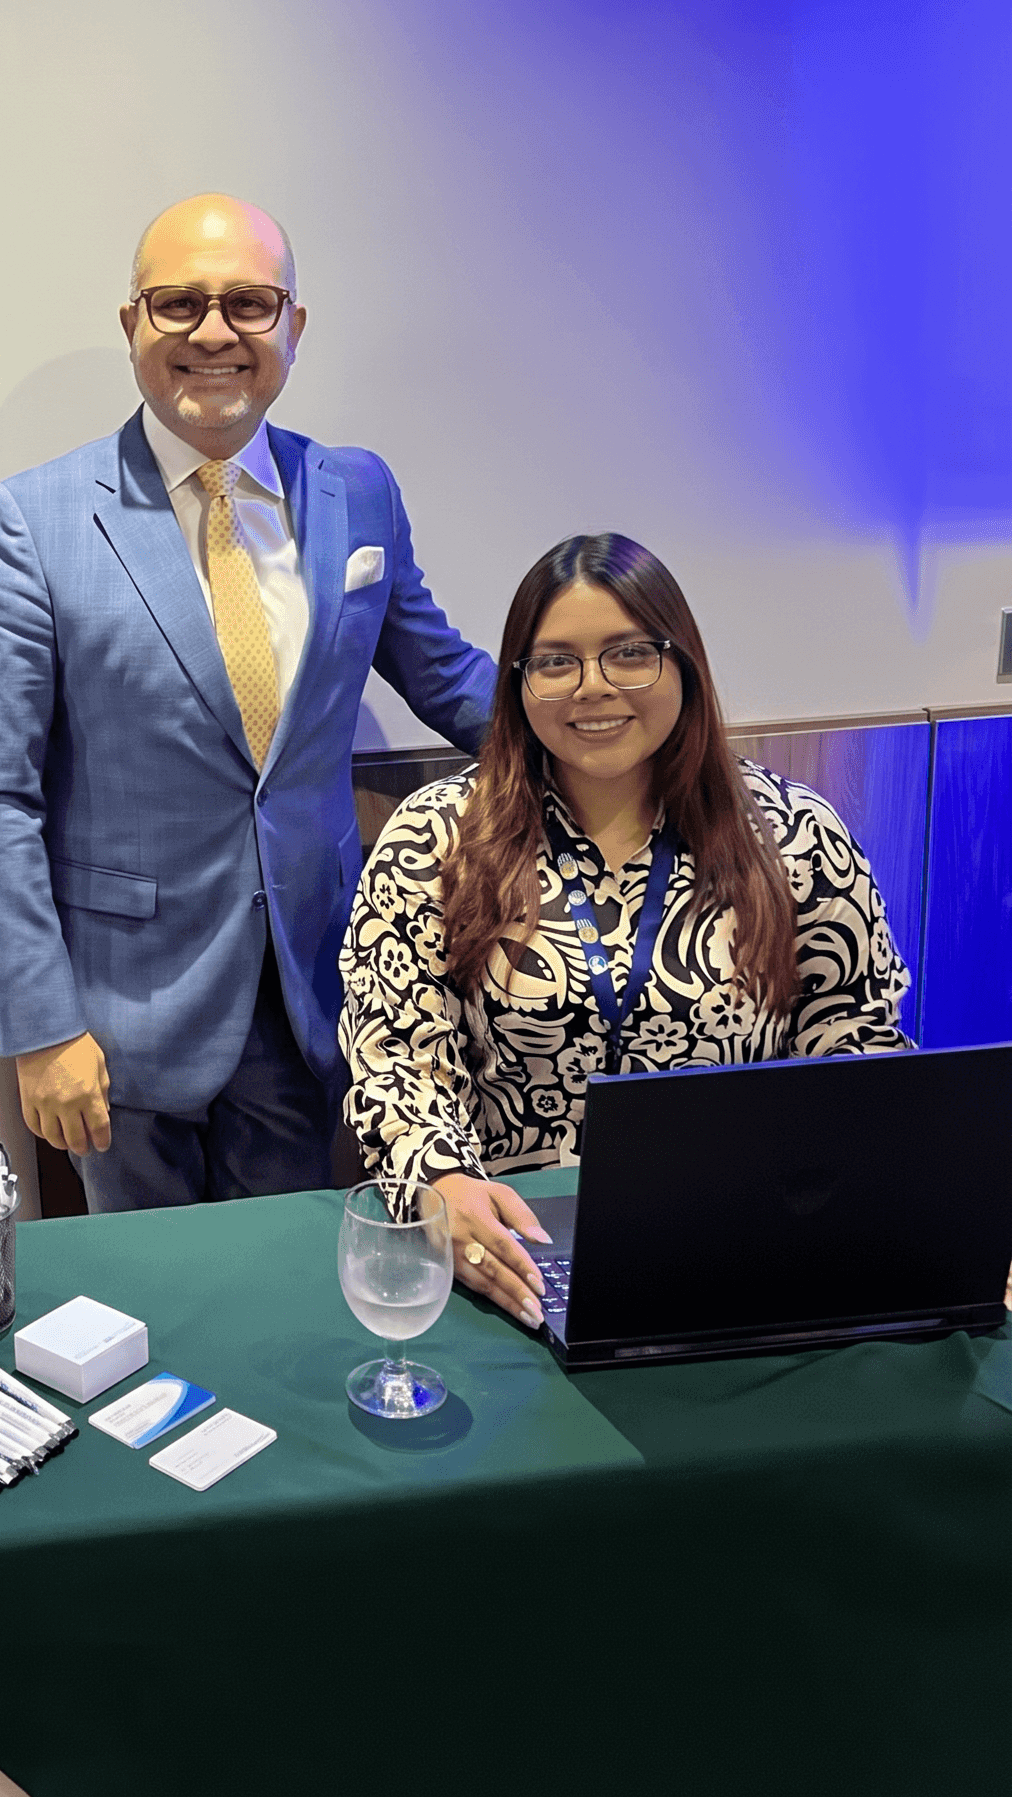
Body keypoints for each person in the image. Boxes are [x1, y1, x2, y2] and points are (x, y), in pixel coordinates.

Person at [0, 193, 496, 1211]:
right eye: (177, 303)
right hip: (115, 1022)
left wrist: (639, 741)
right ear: (130, 327)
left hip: (308, 997)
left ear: (292, 326)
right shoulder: (34, 520)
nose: (212, 332)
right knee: (148, 1317)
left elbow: (445, 677)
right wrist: (39, 1025)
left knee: (283, 1301)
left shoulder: (356, 492)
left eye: (247, 302)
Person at [339, 531, 910, 1327]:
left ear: (683, 665)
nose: (593, 688)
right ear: (518, 682)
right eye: (555, 661)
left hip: (744, 1239)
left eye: (628, 653)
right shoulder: (436, 838)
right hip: (512, 1250)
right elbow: (397, 1059)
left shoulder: (795, 834)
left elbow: (856, 1043)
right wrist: (444, 1186)